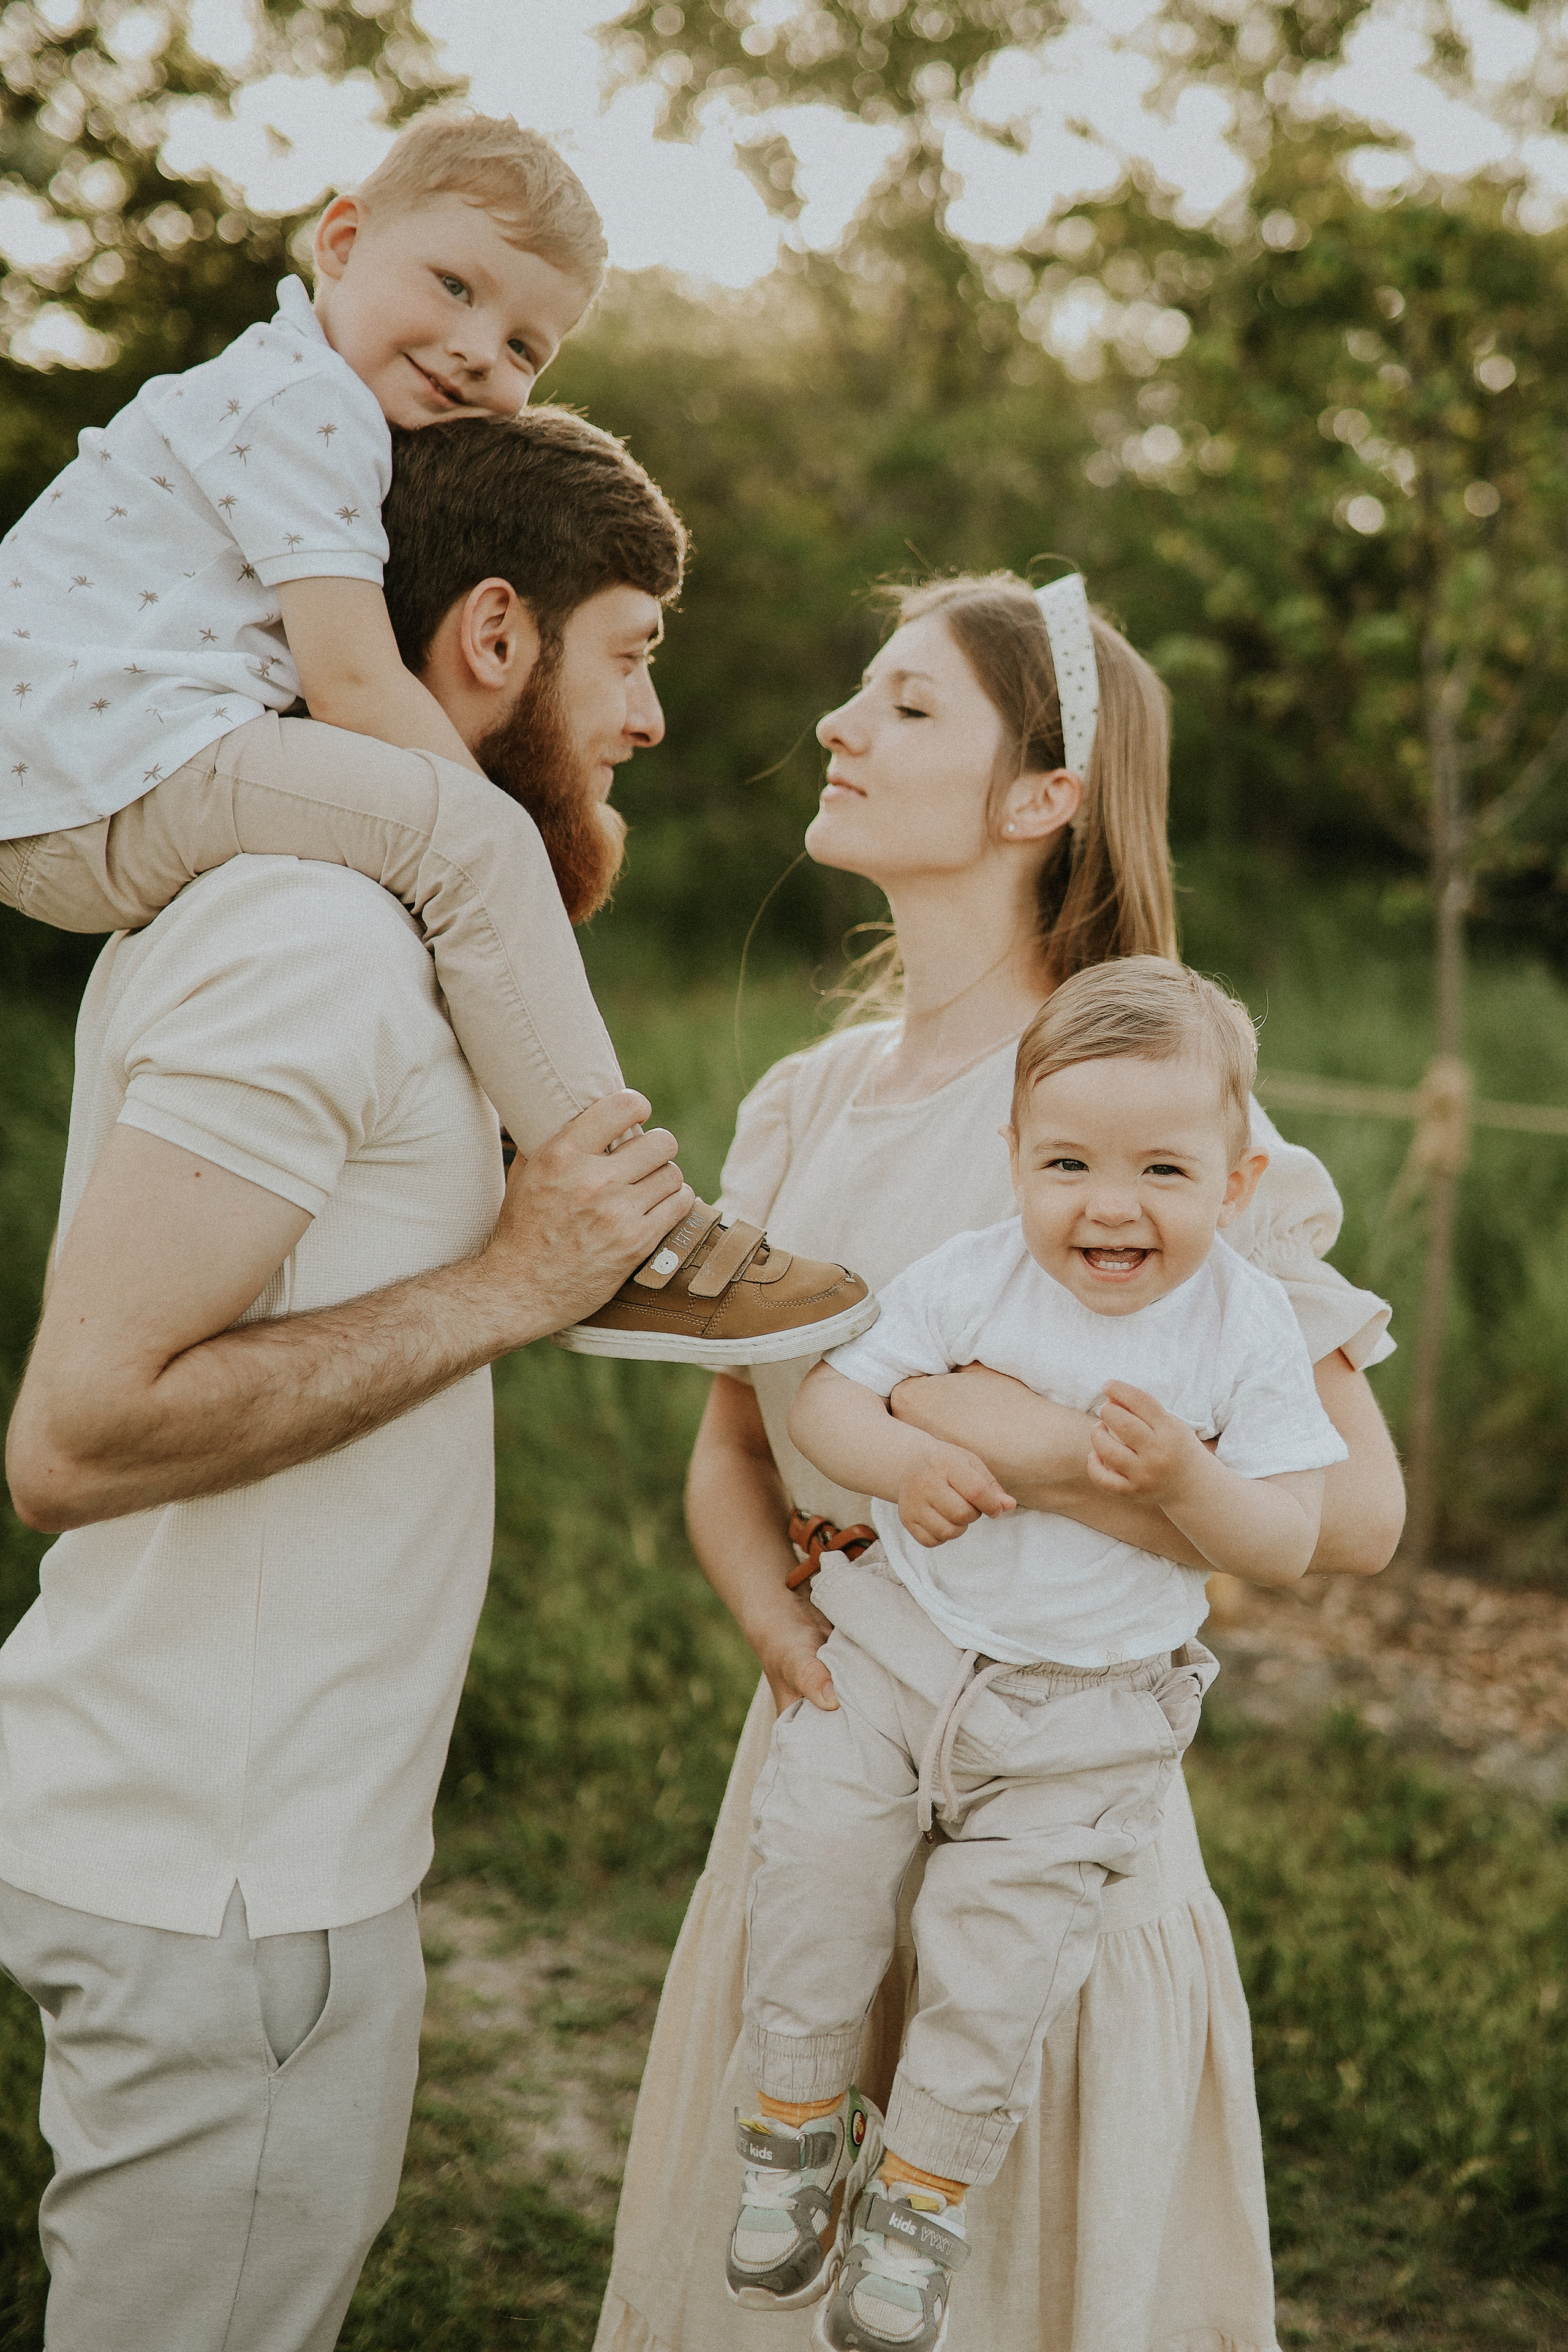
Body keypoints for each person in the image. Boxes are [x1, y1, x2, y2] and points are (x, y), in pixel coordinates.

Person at [0, 405, 849, 2352]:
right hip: (220, 1880)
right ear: (490, 637)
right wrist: (514, 1284)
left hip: (245, 1850)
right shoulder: (314, 934)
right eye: (631, 651)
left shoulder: (373, 933)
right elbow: (76, 1432)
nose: (646, 717)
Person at [595, 571, 1404, 2352]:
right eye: (856, 694)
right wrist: (776, 1625)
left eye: (902, 704)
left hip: (1051, 1789)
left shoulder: (1139, 1112)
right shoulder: (806, 1101)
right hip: (827, 1754)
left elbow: (1350, 1510)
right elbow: (739, 1443)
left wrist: (1016, 1441)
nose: (838, 726)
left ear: (1041, 799)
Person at [0, 109, 870, 1367]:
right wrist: (487, 840)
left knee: (449, 849)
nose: (474, 350)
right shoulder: (305, 401)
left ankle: (555, 1148)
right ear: (341, 242)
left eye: (523, 342)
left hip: (88, 773)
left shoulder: (284, 397)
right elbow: (355, 680)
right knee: (471, 838)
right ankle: (631, 1236)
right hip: (107, 765)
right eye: (453, 286)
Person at [731, 960, 1350, 2351]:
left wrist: (1188, 1480)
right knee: (816, 1865)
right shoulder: (970, 1276)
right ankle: (790, 2131)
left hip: (1084, 1711)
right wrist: (911, 1455)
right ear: (1009, 1158)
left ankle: (919, 2201)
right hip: (904, 1649)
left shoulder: (1242, 1326)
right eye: (1064, 1160)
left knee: (994, 1958)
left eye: (1160, 1169)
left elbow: (1285, 1540)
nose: (1108, 1203)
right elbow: (836, 1396)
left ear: (1235, 1182)